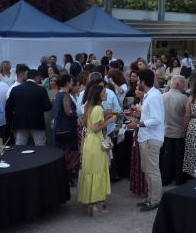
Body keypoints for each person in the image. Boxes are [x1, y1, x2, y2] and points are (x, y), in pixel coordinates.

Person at [124, 69, 164, 212]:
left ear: (143, 82)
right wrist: (138, 113)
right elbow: (151, 116)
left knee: (152, 171)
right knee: (147, 170)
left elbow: (157, 119)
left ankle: (155, 200)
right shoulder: (150, 95)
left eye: (139, 80)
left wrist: (138, 124)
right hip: (146, 138)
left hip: (151, 138)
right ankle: (150, 198)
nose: (137, 82)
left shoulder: (153, 96)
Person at [78, 83, 117, 216]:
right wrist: (110, 120)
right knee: (98, 171)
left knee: (91, 172)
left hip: (89, 142)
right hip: (95, 143)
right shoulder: (97, 109)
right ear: (98, 95)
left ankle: (91, 203)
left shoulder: (90, 107)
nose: (106, 94)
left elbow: (91, 125)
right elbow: (96, 128)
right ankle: (97, 206)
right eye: (104, 92)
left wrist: (105, 118)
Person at [5, 69, 52, 146]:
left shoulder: (15, 89)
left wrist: (10, 123)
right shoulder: (41, 90)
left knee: (20, 146)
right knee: (40, 146)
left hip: (21, 122)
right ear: (37, 77)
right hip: (37, 122)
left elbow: (9, 108)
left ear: (27, 77)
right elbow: (47, 107)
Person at [161, 75, 188, 186]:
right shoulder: (183, 98)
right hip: (179, 131)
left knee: (166, 156)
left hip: (166, 131)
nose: (185, 85)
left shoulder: (162, 96)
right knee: (179, 156)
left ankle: (165, 178)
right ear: (178, 84)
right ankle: (178, 179)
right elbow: (187, 115)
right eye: (183, 83)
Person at [53, 74, 79, 185]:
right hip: (67, 128)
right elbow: (68, 112)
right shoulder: (65, 95)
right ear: (67, 82)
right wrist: (78, 112)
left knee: (63, 153)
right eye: (72, 81)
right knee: (69, 153)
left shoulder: (58, 94)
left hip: (60, 127)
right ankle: (65, 177)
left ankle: (63, 177)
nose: (72, 83)